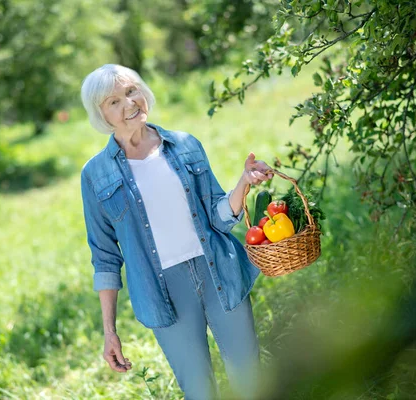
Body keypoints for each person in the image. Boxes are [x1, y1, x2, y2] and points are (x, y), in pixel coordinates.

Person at [79, 64, 273, 400]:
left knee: (249, 376)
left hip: (218, 272)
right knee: (199, 390)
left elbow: (219, 216)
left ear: (143, 92)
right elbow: (105, 258)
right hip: (163, 291)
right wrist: (109, 332)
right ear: (102, 116)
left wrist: (243, 182)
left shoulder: (184, 145)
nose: (128, 104)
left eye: (130, 91)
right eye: (113, 102)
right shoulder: (95, 174)